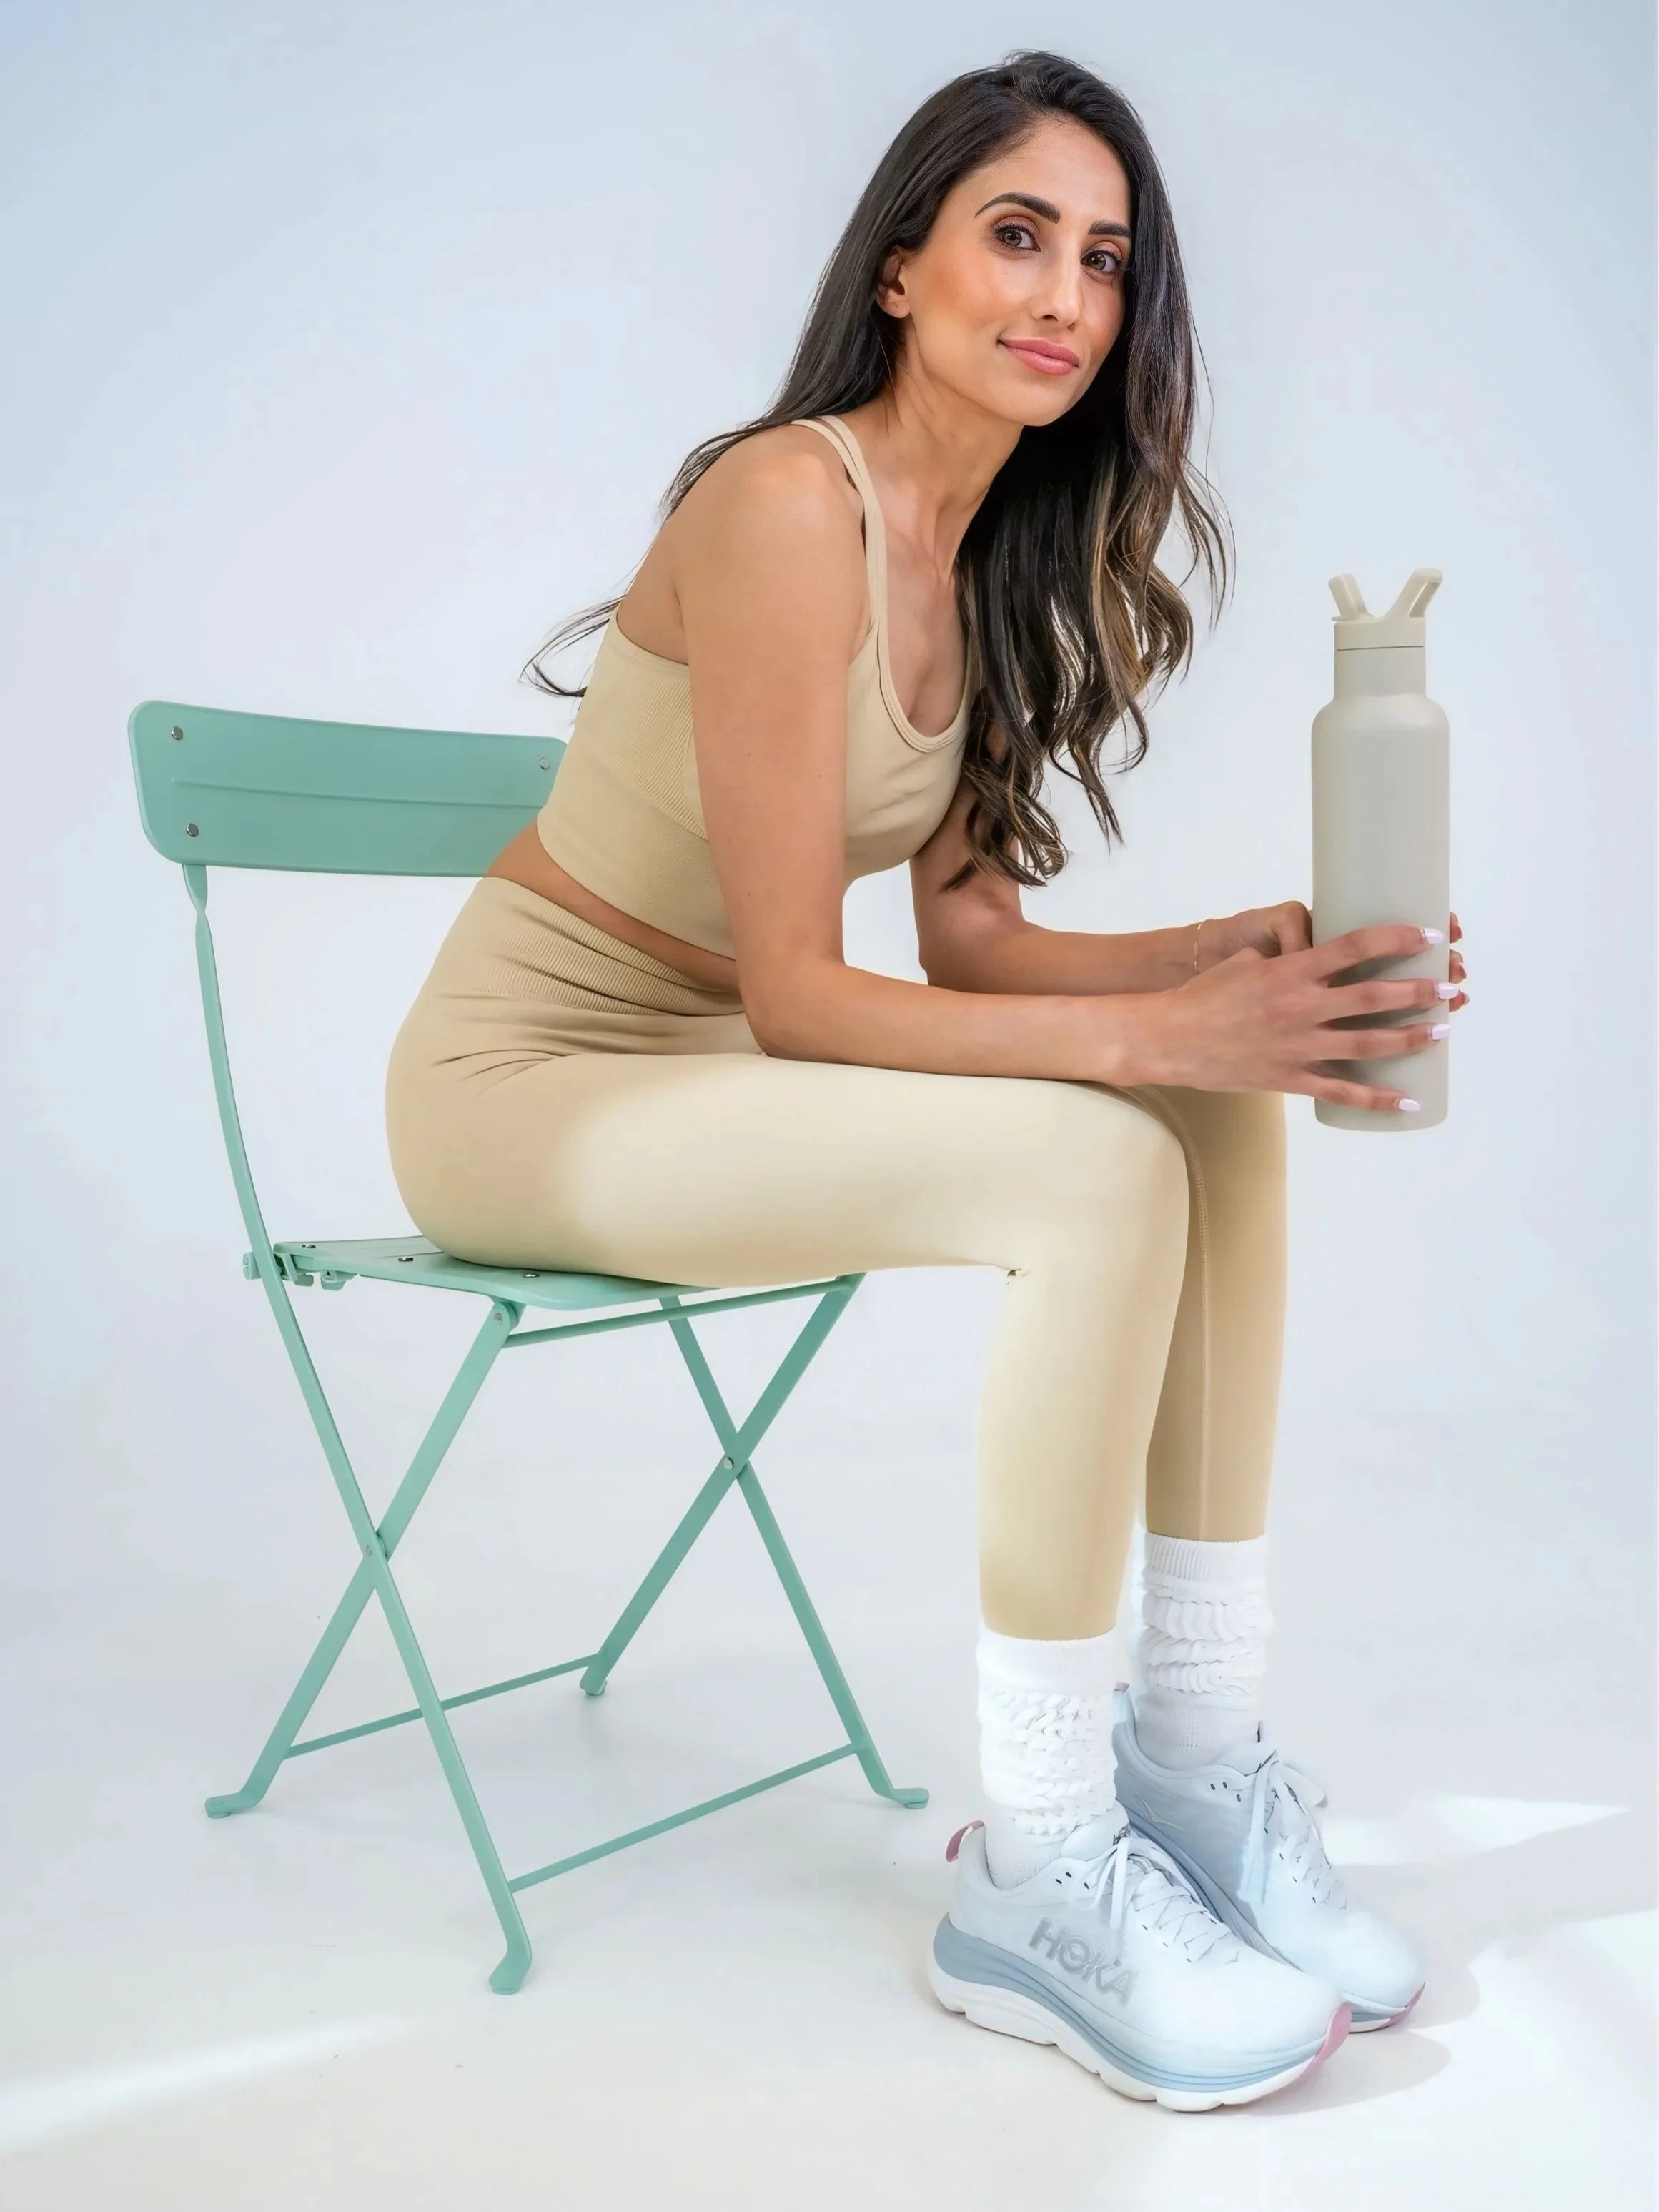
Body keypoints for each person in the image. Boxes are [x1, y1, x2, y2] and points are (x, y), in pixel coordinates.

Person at [386, 51, 1467, 2109]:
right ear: (902, 264)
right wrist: (1142, 1038)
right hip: (529, 1084)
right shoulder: (786, 502)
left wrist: (1235, 965)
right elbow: (806, 989)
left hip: (701, 1082)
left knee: (1210, 1100)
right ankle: (1040, 1860)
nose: (1067, 292)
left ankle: (1199, 1761)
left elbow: (966, 945)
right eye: (1017, 233)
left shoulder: (985, 560)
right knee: (1095, 1164)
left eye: (1109, 260)